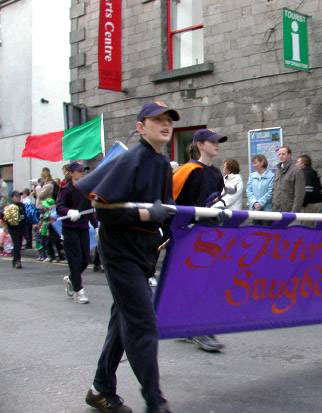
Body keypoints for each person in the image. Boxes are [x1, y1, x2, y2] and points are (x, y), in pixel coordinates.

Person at [76, 101, 178, 413]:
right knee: (143, 323)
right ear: (140, 126)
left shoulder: (161, 163)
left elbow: (165, 211)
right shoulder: (132, 158)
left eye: (169, 120)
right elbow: (103, 208)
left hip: (143, 250)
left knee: (123, 320)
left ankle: (100, 388)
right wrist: (149, 212)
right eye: (156, 119)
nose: (165, 124)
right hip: (120, 251)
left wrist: (192, 222)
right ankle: (155, 403)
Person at [173, 129, 227, 353]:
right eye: (213, 141)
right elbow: (173, 202)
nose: (217, 145)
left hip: (210, 232)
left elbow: (216, 199)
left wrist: (219, 209)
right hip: (190, 233)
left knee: (206, 280)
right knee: (197, 280)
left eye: (218, 142)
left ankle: (188, 325)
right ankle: (198, 328)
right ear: (200, 145)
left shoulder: (215, 173)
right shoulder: (186, 171)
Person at [56, 161, 98, 304]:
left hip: (83, 228)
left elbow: (90, 211)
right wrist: (69, 211)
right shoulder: (65, 189)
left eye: (83, 171)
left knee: (85, 260)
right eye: (79, 170)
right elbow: (59, 207)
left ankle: (71, 279)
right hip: (69, 229)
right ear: (72, 172)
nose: (82, 173)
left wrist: (96, 226)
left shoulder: (86, 189)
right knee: (75, 260)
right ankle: (79, 291)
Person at [272, 146, 305, 213]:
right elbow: (275, 190)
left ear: (289, 155)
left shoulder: (297, 170)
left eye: (283, 154)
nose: (281, 156)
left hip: (290, 211)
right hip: (277, 211)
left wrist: (294, 212)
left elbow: (299, 195)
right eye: (279, 154)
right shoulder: (277, 170)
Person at [246, 154, 274, 225]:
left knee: (267, 232)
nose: (253, 165)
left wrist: (260, 203)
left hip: (267, 211)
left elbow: (270, 192)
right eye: (253, 163)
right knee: (256, 232)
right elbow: (249, 191)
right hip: (255, 210)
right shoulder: (252, 176)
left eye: (255, 163)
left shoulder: (271, 176)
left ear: (262, 162)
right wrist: (255, 203)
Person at [1, 191, 26, 268]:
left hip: (21, 227)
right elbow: (2, 216)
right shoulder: (9, 206)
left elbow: (24, 216)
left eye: (19, 196)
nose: (18, 197)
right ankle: (17, 262)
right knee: (17, 244)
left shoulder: (22, 205)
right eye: (16, 196)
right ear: (12, 197)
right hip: (13, 228)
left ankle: (16, 260)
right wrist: (6, 225)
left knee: (19, 245)